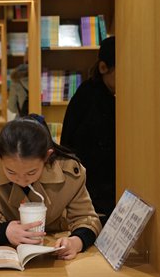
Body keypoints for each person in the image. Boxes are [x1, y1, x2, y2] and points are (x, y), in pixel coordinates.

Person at [0, 115, 102, 260]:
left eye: (31, 172)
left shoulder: (69, 172)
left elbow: (86, 218)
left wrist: (75, 242)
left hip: (55, 248)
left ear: (46, 156)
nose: (22, 180)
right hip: (7, 250)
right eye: (11, 172)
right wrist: (5, 231)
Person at [60, 36, 116, 224]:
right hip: (93, 195)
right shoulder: (93, 99)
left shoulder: (93, 92)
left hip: (93, 191)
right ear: (103, 68)